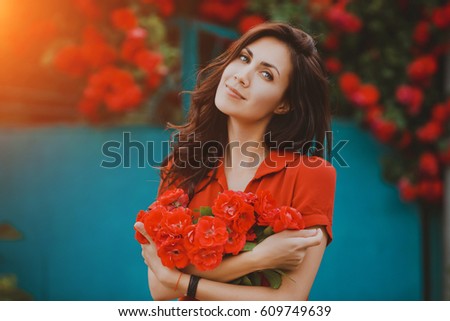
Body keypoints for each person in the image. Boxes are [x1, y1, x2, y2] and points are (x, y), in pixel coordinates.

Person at [134, 22, 336, 301]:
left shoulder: (311, 175)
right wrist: (256, 258)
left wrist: (178, 279)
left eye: (266, 74)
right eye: (244, 58)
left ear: (283, 104)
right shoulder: (183, 165)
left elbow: (288, 300)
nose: (242, 76)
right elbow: (158, 289)